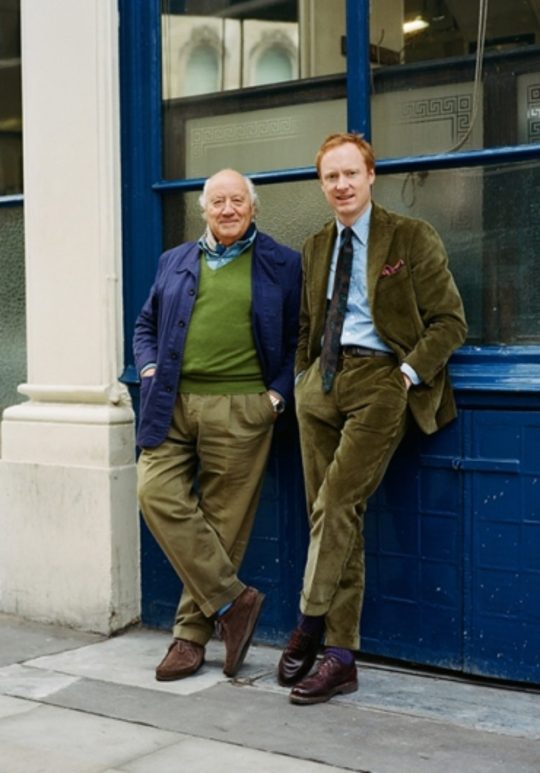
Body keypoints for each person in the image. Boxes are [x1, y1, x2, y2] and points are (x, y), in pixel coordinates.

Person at [278, 133, 467, 705]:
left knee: (336, 503)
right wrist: (304, 378)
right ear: (322, 185)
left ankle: (309, 622)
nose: (341, 185)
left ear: (370, 176)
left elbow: (450, 322)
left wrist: (406, 376)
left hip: (382, 380)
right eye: (331, 177)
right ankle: (340, 656)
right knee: (333, 514)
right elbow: (308, 324)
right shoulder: (316, 246)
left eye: (350, 174)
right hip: (321, 384)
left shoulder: (410, 236)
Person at [134, 168, 301, 681]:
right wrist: (148, 367)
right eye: (218, 202)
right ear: (203, 209)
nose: (227, 209)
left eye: (237, 201)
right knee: (154, 492)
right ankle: (233, 600)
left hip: (242, 407)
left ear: (252, 207)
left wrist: (276, 397)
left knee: (223, 523)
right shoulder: (175, 260)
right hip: (171, 401)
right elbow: (145, 325)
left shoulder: (283, 263)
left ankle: (189, 639)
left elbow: (302, 338)